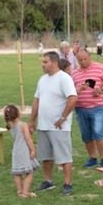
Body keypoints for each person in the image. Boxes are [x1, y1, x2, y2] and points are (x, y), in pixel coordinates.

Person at [30, 52, 78, 195]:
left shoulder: (64, 79)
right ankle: (48, 181)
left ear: (54, 62)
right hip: (43, 125)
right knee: (45, 156)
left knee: (64, 156)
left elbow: (72, 98)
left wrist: (63, 118)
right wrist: (32, 119)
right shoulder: (42, 79)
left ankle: (68, 183)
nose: (42, 65)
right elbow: (36, 100)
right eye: (42, 62)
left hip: (59, 126)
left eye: (45, 62)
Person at [71, 49, 103, 168]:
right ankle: (92, 158)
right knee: (86, 135)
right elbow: (70, 90)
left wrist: (102, 89)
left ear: (90, 56)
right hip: (80, 108)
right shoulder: (74, 73)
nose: (83, 61)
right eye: (80, 60)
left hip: (98, 107)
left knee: (98, 132)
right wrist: (77, 91)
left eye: (85, 59)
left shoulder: (99, 68)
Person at [5, 104, 38, 198]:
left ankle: (19, 191)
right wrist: (33, 150)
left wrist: (29, 130)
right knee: (29, 172)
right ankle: (25, 192)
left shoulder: (10, 125)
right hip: (23, 150)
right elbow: (28, 139)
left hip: (16, 150)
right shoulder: (23, 125)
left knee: (17, 172)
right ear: (18, 114)